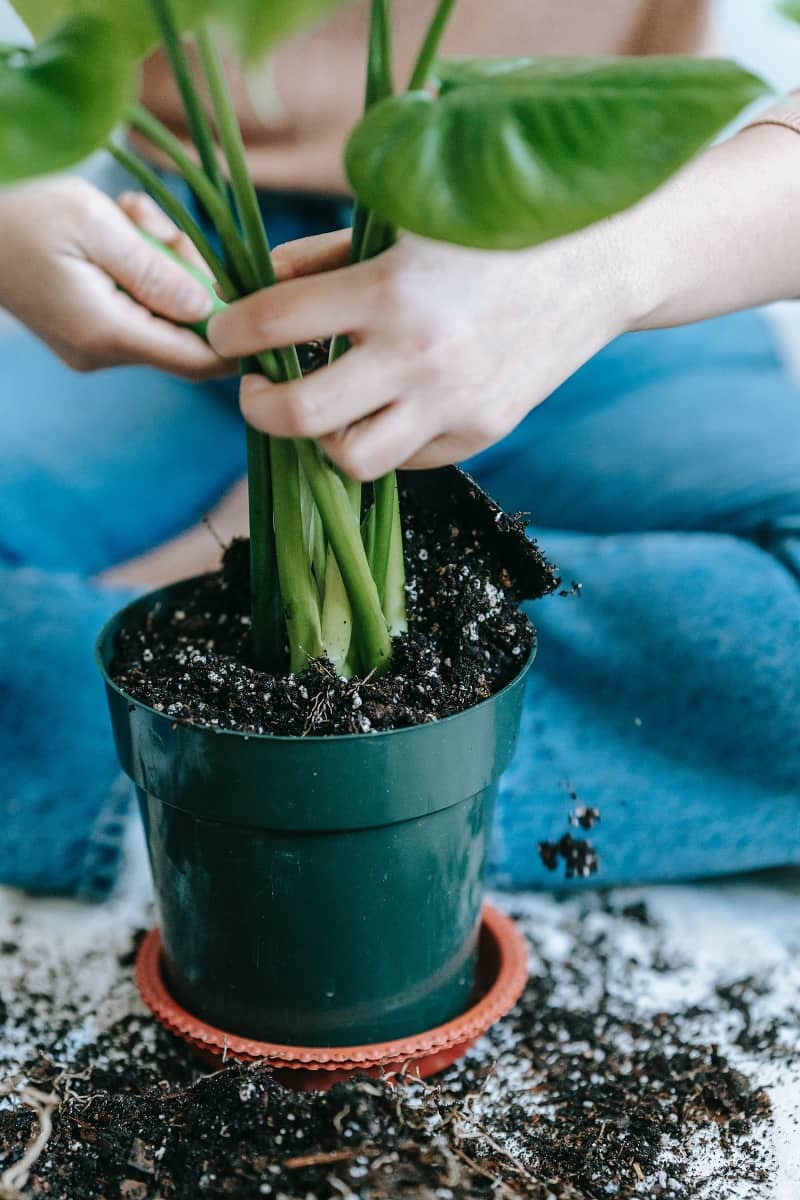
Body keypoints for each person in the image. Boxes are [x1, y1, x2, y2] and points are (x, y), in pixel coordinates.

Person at [1, 0, 799, 899]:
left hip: (596, 240)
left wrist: (597, 273)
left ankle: (206, 769)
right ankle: (366, 761)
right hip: (203, 251)